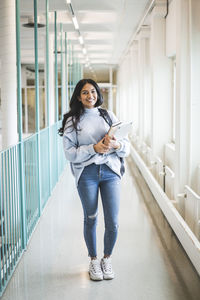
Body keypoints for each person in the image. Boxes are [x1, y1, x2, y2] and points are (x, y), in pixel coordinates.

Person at [59, 79, 130, 281]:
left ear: (98, 93)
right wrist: (94, 149)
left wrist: (116, 145)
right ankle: (93, 260)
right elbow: (70, 154)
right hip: (87, 175)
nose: (90, 96)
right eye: (84, 92)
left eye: (93, 91)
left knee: (113, 222)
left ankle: (106, 259)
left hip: (110, 172)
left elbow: (126, 146)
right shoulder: (73, 121)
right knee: (90, 218)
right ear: (78, 97)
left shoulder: (108, 115)